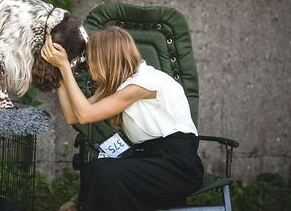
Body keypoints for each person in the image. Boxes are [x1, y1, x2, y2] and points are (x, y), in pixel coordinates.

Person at [41, 26, 204, 211]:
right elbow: (72, 116)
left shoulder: (143, 82)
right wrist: (60, 75)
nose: (87, 64)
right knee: (92, 169)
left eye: (91, 58)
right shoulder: (121, 85)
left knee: (106, 174)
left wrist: (65, 67)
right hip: (148, 157)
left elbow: (85, 115)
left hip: (177, 165)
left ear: (106, 58)